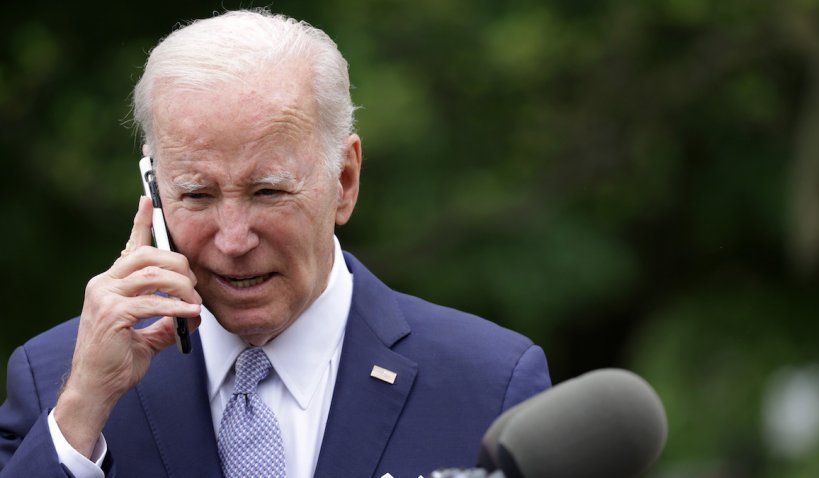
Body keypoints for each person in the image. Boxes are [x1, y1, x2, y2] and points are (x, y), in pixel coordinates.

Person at [0, 9, 550, 478]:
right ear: (154, 192)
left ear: (345, 181)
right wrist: (80, 413)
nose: (234, 239)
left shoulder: (490, 384)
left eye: (267, 191)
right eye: (196, 194)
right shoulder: (57, 381)